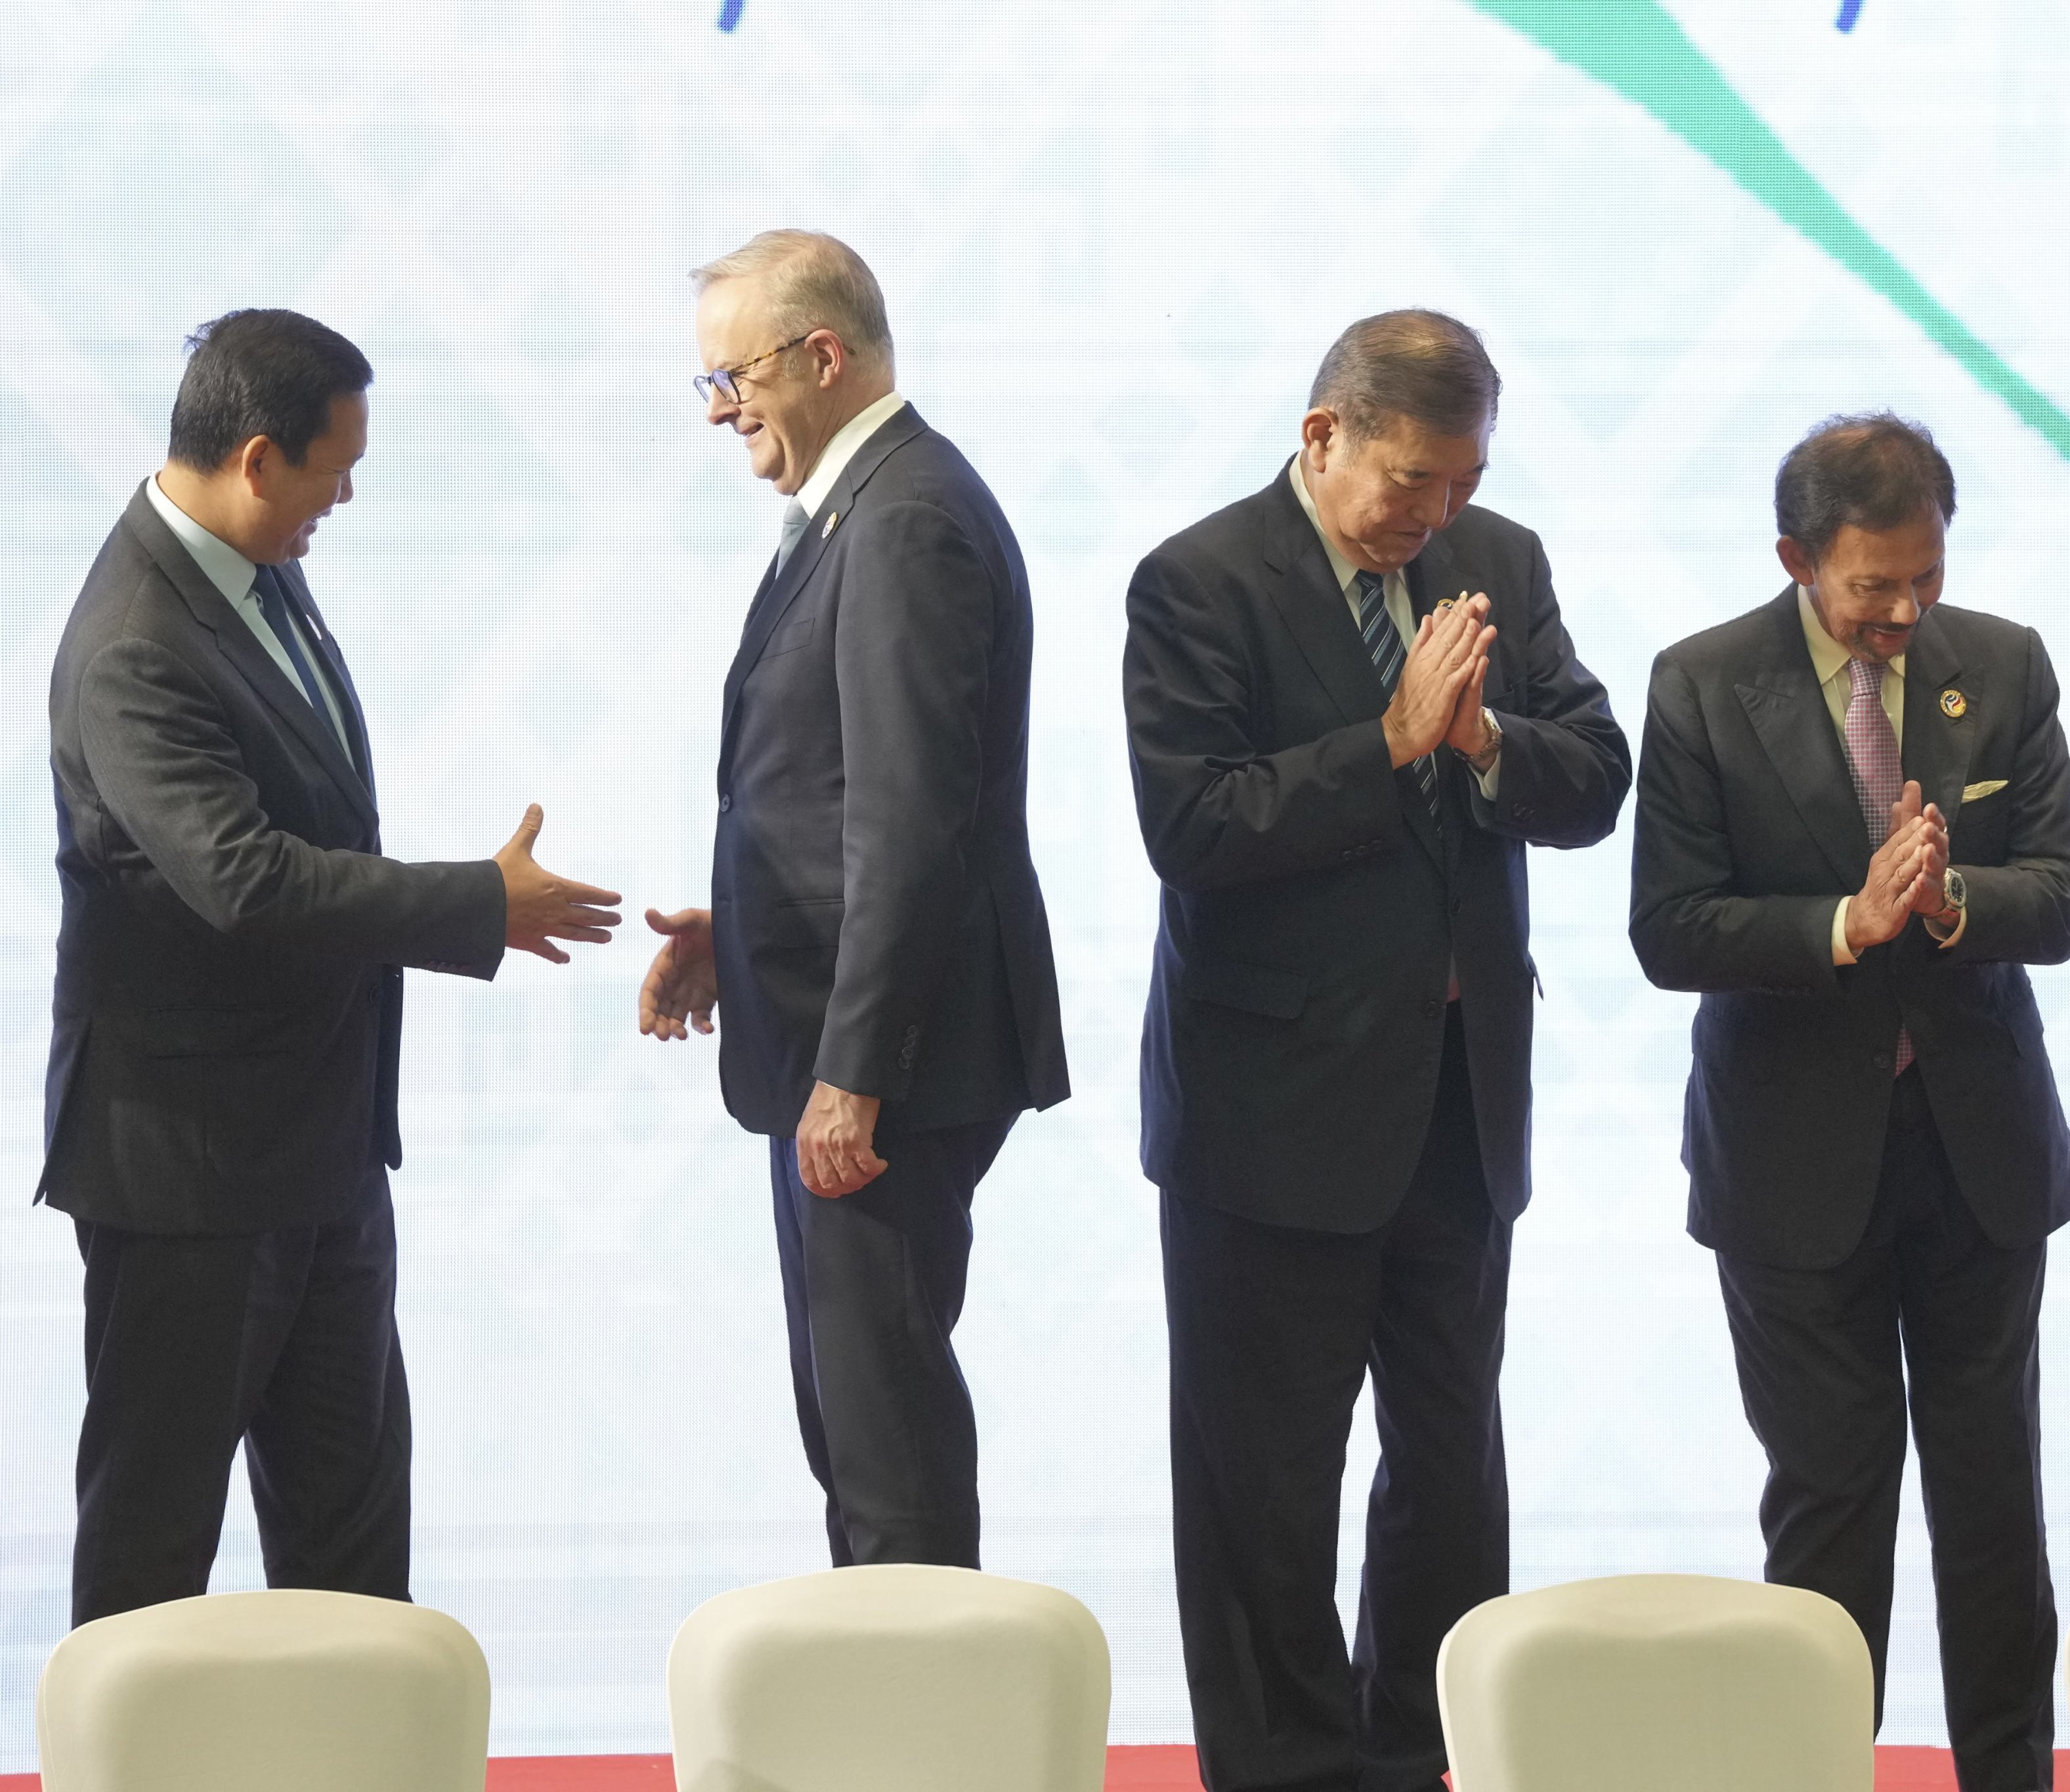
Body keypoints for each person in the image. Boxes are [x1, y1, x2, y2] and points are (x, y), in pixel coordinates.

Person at [43, 308, 621, 1626]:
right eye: (333, 467)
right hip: (188, 1178)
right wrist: (479, 904)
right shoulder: (136, 642)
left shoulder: (250, 571)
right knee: (152, 1560)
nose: (346, 494)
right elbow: (244, 879)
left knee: (353, 1553)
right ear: (257, 457)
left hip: (319, 1157)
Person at [1123, 309, 1629, 1792]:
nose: (1435, 513)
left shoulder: (1499, 565)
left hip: (1455, 1114)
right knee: (1260, 1497)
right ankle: (1282, 1771)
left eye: (1461, 481)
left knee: (1448, 1479)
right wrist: (1391, 743)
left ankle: (1416, 1759)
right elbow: (1192, 828)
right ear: (1319, 434)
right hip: (1263, 1119)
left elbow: (1593, 774)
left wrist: (1481, 745)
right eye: (1410, 480)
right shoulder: (1199, 581)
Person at [1629, 412, 2070, 1792]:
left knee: (1990, 1504)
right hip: (1789, 1166)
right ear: (1794, 559)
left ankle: (2003, 1774)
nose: (1901, 611)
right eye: (1868, 586)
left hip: (1976, 1155)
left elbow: (2064, 891)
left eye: (1923, 579)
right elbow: (1670, 929)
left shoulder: (1999, 665)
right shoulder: (1703, 682)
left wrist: (1952, 900)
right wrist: (1844, 919)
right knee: (1828, 1508)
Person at [639, 230, 1067, 1570]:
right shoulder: (864, 500)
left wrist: (856, 1071)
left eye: (732, 380)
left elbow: (910, 818)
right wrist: (739, 925)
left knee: (883, 1443)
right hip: (844, 1030)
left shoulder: (905, 517)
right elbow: (844, 800)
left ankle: (927, 1738)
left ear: (820, 356)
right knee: (855, 1417)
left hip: (891, 1068)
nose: (722, 412)